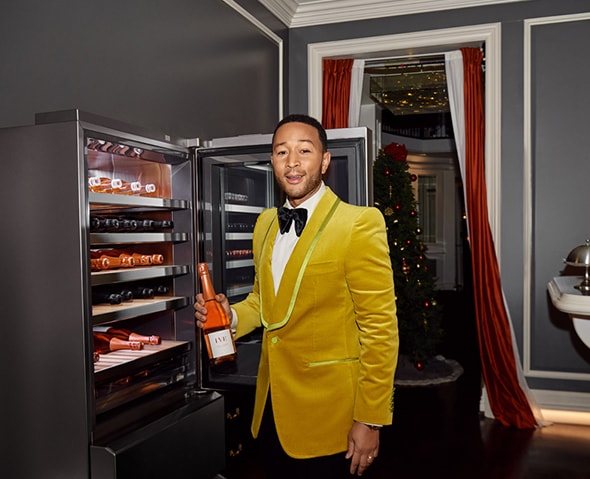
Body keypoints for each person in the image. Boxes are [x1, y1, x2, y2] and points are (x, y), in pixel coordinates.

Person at [195, 114, 398, 478]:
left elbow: (380, 330)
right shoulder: (265, 225)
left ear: (323, 160)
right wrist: (232, 317)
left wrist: (370, 419)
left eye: (304, 150)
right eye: (281, 151)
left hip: (330, 415)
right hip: (271, 407)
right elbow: (264, 301)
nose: (292, 162)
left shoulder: (359, 223)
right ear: (272, 161)